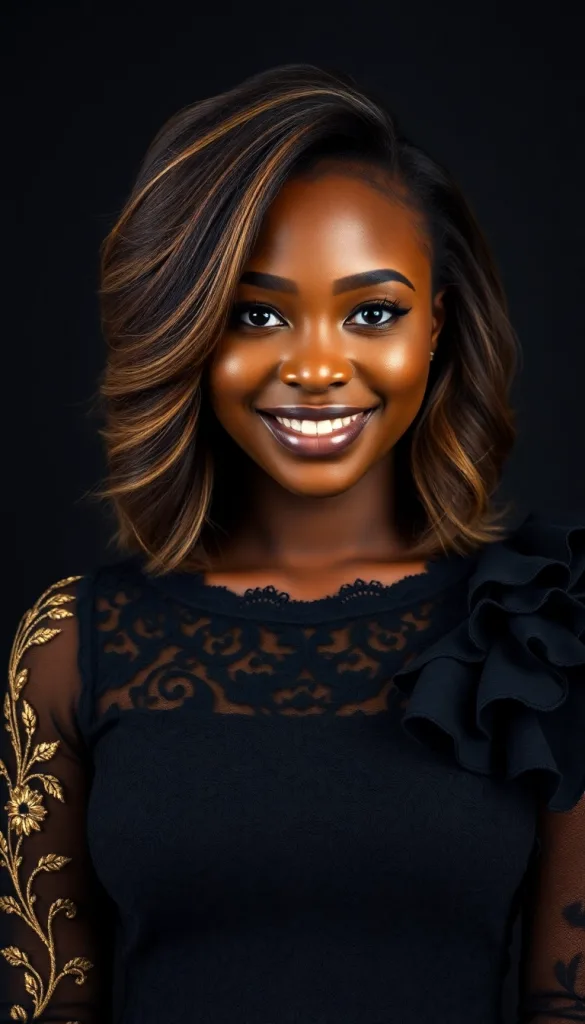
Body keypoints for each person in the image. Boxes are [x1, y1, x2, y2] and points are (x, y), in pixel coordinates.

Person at [1, 64, 584, 1024]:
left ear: (436, 325)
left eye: (372, 313)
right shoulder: (69, 644)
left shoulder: (547, 634)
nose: (316, 367)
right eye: (256, 313)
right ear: (187, 326)